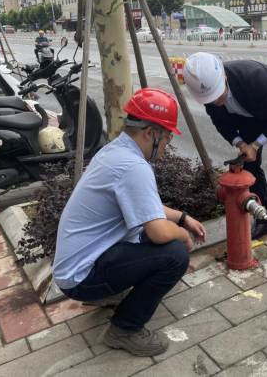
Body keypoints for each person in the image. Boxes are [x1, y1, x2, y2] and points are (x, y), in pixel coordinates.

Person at [52, 88, 207, 357]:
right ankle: (124, 329)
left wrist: (183, 218)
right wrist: (183, 235)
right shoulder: (133, 167)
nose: (167, 143)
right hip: (81, 277)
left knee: (151, 234)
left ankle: (107, 293)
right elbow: (159, 233)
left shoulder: (115, 150)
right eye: (167, 136)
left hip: (77, 265)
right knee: (175, 254)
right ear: (150, 133)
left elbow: (145, 208)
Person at [182, 53, 267, 251]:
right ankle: (265, 219)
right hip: (248, 118)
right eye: (209, 99)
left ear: (224, 78)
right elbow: (220, 122)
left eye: (217, 95)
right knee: (250, 166)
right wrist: (241, 144)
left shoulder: (254, 77)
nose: (214, 102)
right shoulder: (206, 89)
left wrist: (255, 145)